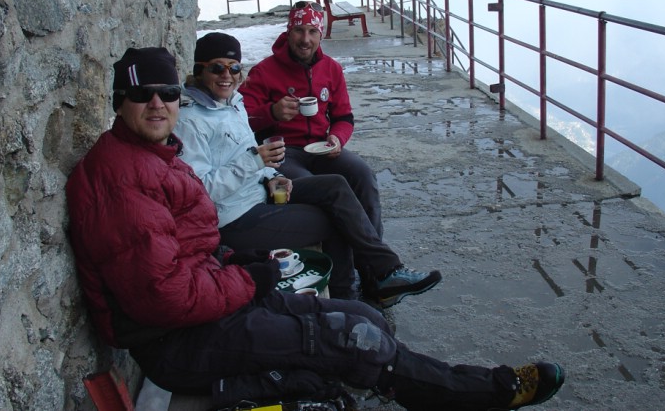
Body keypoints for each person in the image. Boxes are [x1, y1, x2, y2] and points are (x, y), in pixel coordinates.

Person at [65, 46, 565, 410]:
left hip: (206, 309)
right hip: (180, 341)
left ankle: (356, 332)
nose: (158, 104)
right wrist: (247, 278)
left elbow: (185, 254)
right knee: (351, 337)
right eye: (142, 95)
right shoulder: (123, 180)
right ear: (119, 102)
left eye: (166, 93)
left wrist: (241, 267)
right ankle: (486, 392)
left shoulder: (150, 156)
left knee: (349, 313)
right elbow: (165, 295)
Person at [173, 32, 440, 306]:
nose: (226, 75)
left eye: (234, 68)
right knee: (336, 220)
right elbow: (201, 192)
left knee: (335, 185)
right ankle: (347, 299)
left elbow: (341, 117)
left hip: (258, 191)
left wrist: (273, 176)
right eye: (217, 68)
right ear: (199, 70)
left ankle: (386, 272)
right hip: (235, 217)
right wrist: (256, 160)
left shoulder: (232, 103)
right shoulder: (190, 121)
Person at [242, 2, 384, 238]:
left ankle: (374, 259)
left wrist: (337, 139)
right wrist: (273, 112)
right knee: (321, 190)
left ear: (320, 35)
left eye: (312, 31)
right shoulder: (264, 71)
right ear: (288, 33)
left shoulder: (331, 69)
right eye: (299, 30)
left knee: (363, 176)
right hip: (283, 153)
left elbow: (344, 117)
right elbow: (242, 119)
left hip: (321, 148)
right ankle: (344, 269)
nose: (305, 39)